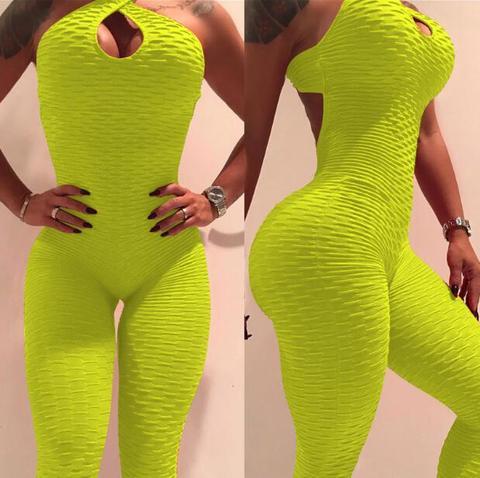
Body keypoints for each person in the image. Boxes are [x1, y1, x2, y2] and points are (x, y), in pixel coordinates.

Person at [0, 0, 244, 475]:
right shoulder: (38, 10)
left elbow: (262, 113)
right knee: (66, 460)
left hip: (168, 268)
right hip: (70, 262)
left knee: (154, 463)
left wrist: (215, 199)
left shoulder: (201, 15)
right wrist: (21, 202)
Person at [246, 0, 480, 476]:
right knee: (329, 460)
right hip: (324, 243)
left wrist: (457, 232)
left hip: (389, 254)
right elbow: (250, 128)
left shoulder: (409, 11)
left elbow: (425, 133)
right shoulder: (294, 6)